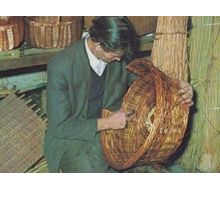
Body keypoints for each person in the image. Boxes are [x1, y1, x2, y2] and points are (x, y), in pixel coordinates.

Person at [44, 16, 193, 173]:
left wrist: (175, 88)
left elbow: (145, 83)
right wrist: (108, 123)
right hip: (73, 138)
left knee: (147, 166)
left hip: (112, 132)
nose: (120, 59)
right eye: (115, 55)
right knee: (89, 170)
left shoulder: (119, 55)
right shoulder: (61, 65)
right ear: (98, 45)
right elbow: (59, 128)